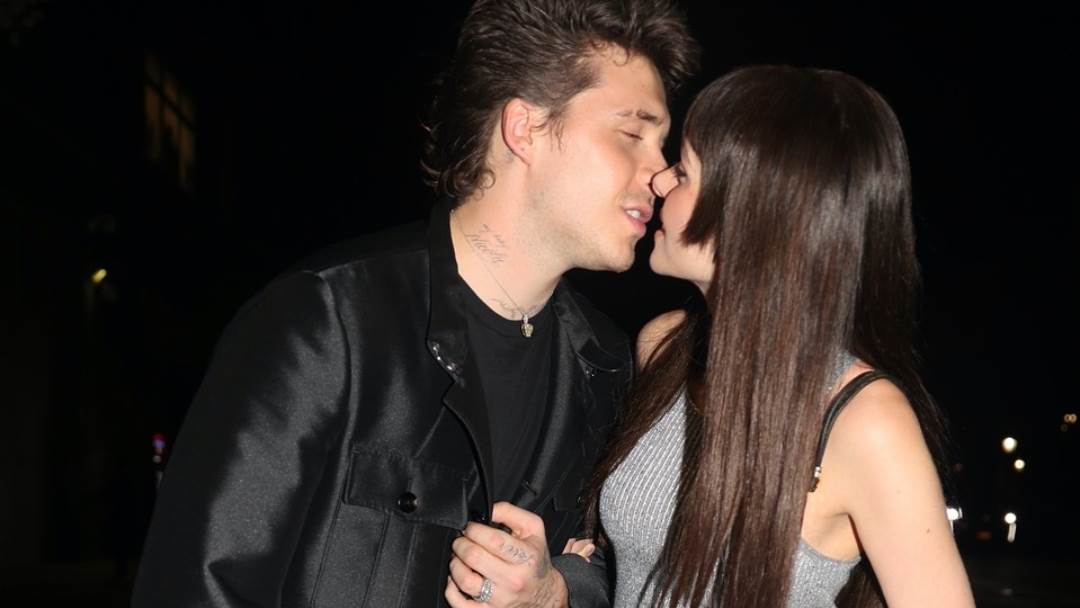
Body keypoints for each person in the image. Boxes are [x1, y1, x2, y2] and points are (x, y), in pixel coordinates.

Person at [130, 1, 696, 606]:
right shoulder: (328, 319)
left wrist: (559, 591)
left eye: (662, 145)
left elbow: (617, 566)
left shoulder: (607, 365)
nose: (661, 174)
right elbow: (198, 585)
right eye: (633, 134)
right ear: (525, 129)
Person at [586, 65, 976, 607]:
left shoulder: (866, 421)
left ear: (752, 211)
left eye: (685, 171)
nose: (659, 181)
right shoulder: (665, 347)